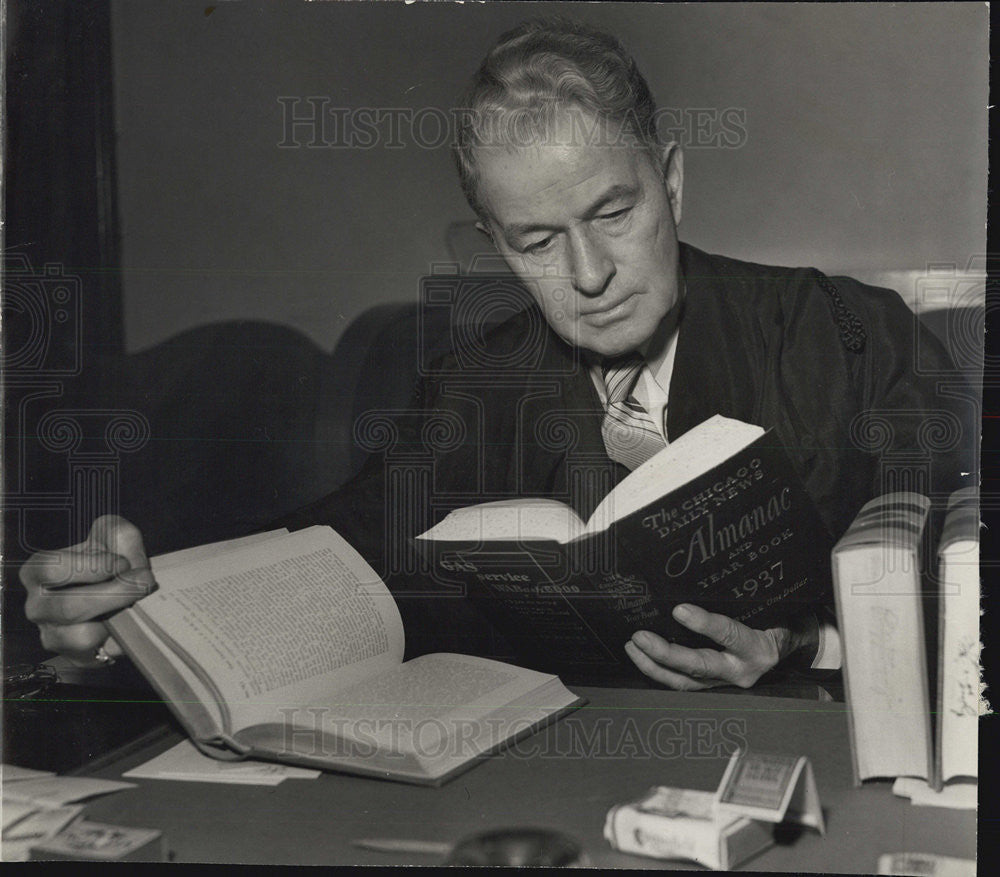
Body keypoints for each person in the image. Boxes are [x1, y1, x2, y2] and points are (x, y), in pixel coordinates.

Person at [19, 18, 973, 690]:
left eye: (614, 212)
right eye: (536, 242)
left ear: (673, 180)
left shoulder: (848, 336)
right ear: (494, 243)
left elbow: (966, 579)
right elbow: (336, 553)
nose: (590, 273)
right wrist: (132, 610)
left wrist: (809, 644)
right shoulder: (474, 387)